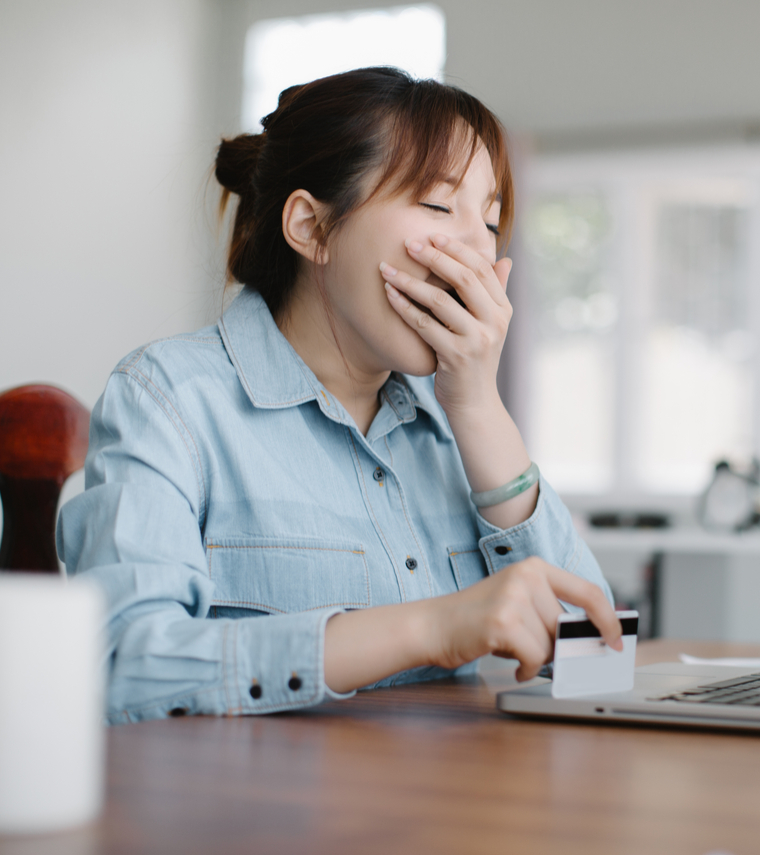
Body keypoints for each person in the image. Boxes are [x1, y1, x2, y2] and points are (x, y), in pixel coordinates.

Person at [57, 67, 621, 724]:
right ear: (312, 228)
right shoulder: (170, 399)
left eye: (491, 221)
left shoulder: (454, 423)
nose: (473, 250)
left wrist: (478, 405)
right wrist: (429, 627)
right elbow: (123, 669)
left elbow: (599, 655)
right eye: (439, 207)